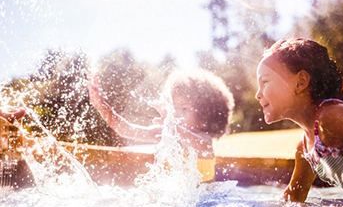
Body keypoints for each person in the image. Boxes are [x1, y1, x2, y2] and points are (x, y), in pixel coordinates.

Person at [255, 38, 343, 207]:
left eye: (265, 82)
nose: (257, 95)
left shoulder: (331, 118)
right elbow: (293, 198)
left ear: (300, 82)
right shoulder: (304, 147)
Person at [87, 69, 234, 182]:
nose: (175, 114)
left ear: (206, 117)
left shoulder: (204, 142)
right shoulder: (168, 132)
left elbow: (195, 141)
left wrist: (169, 123)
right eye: (173, 108)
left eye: (184, 109)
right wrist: (101, 105)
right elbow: (124, 129)